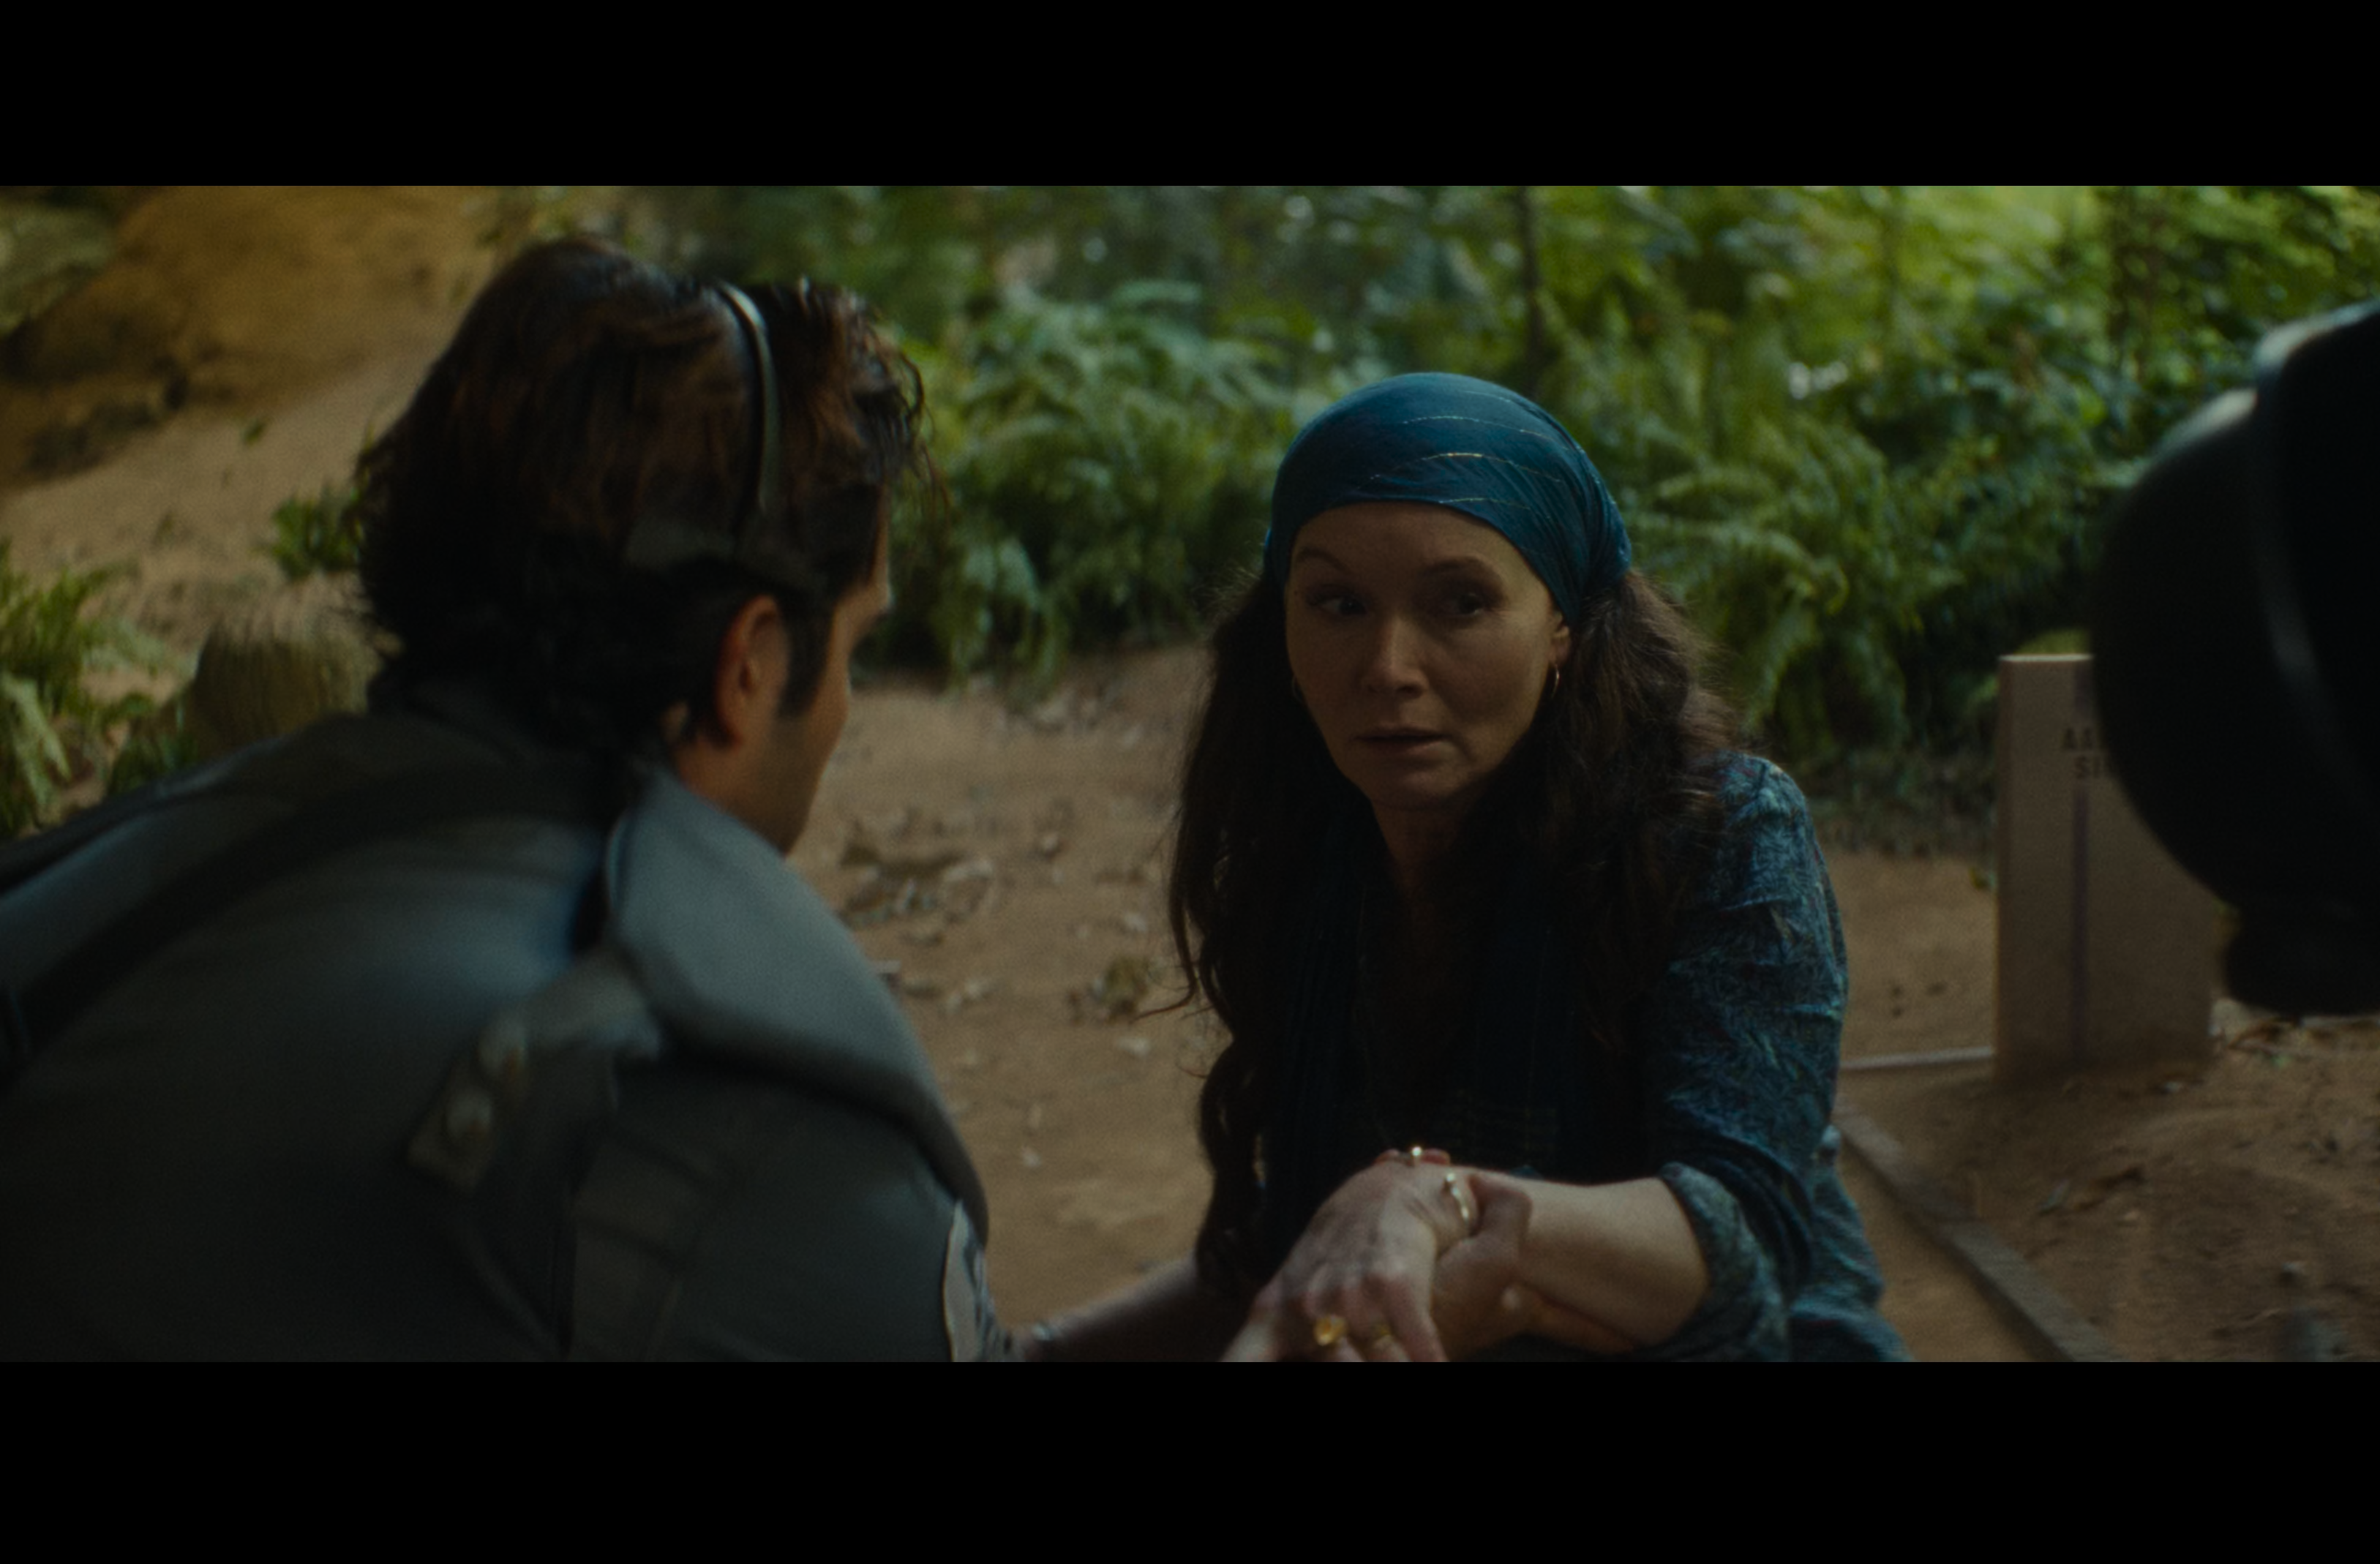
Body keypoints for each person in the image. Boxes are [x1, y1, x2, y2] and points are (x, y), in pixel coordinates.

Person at [0, 238, 1009, 1359]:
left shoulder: (137, 869)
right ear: (749, 665)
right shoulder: (709, 1117)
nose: (845, 707)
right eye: (854, 646)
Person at [1025, 372, 1910, 1361]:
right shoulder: (1315, 853)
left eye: (1460, 603)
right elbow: (1310, 1255)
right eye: (1339, 603)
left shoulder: (1716, 836)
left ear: (1562, 625)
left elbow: (1740, 1240)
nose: (1388, 668)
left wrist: (1430, 1200)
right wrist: (1033, 1353)